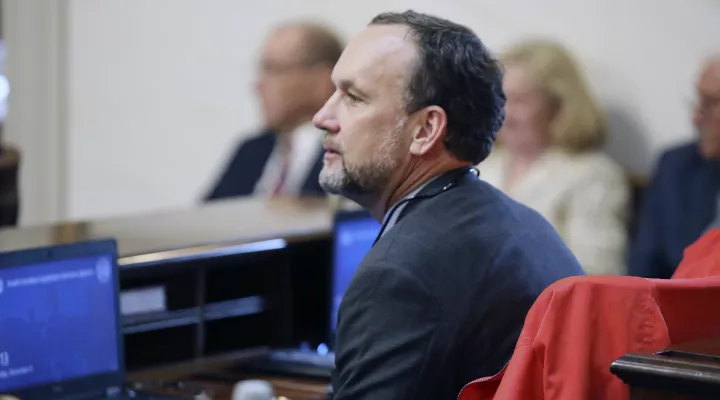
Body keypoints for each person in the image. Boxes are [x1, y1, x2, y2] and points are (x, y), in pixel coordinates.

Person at [313, 10, 585, 399]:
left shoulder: (398, 276)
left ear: (424, 130)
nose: (323, 116)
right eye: (333, 92)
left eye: (353, 98)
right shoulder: (523, 222)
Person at [479, 40, 629, 275]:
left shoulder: (592, 175)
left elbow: (597, 271)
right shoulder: (485, 163)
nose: (504, 113)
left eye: (520, 101)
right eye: (500, 97)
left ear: (558, 105)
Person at [204, 22, 343, 201]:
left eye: (272, 70)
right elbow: (204, 221)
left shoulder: (346, 154)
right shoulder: (250, 151)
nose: (258, 85)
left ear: (321, 81)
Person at [628, 56, 720, 279]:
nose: (696, 118)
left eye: (711, 103)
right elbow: (641, 274)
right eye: (698, 101)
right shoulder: (675, 168)